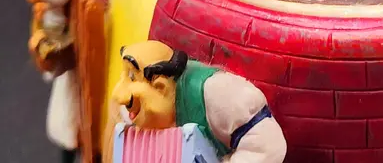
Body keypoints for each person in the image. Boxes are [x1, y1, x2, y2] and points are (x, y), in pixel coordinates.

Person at [111, 41, 286, 163]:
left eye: (132, 77)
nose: (119, 94)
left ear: (160, 86)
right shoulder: (131, 111)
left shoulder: (217, 94)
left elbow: (267, 144)